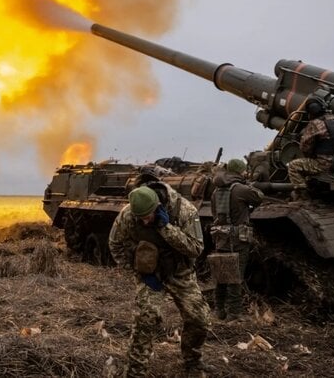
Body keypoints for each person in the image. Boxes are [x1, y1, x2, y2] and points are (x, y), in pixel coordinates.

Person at [109, 182, 214, 377]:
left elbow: (196, 249)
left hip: (179, 272)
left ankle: (192, 359)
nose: (145, 222)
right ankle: (135, 371)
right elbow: (115, 244)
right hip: (150, 275)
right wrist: (136, 270)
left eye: (148, 217)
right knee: (147, 317)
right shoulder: (128, 214)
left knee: (200, 319)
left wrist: (166, 228)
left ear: (158, 206)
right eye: (141, 219)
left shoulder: (184, 211)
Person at [209, 158, 263, 321]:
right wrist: (250, 185)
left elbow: (214, 214)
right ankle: (235, 313)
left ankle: (219, 310)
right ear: (239, 171)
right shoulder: (241, 189)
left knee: (221, 274)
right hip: (238, 238)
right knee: (235, 275)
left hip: (221, 237)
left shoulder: (216, 191)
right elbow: (259, 197)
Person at [287, 96, 334, 200]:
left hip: (324, 165)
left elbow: (305, 148)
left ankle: (303, 196)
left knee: (293, 166)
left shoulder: (315, 124)